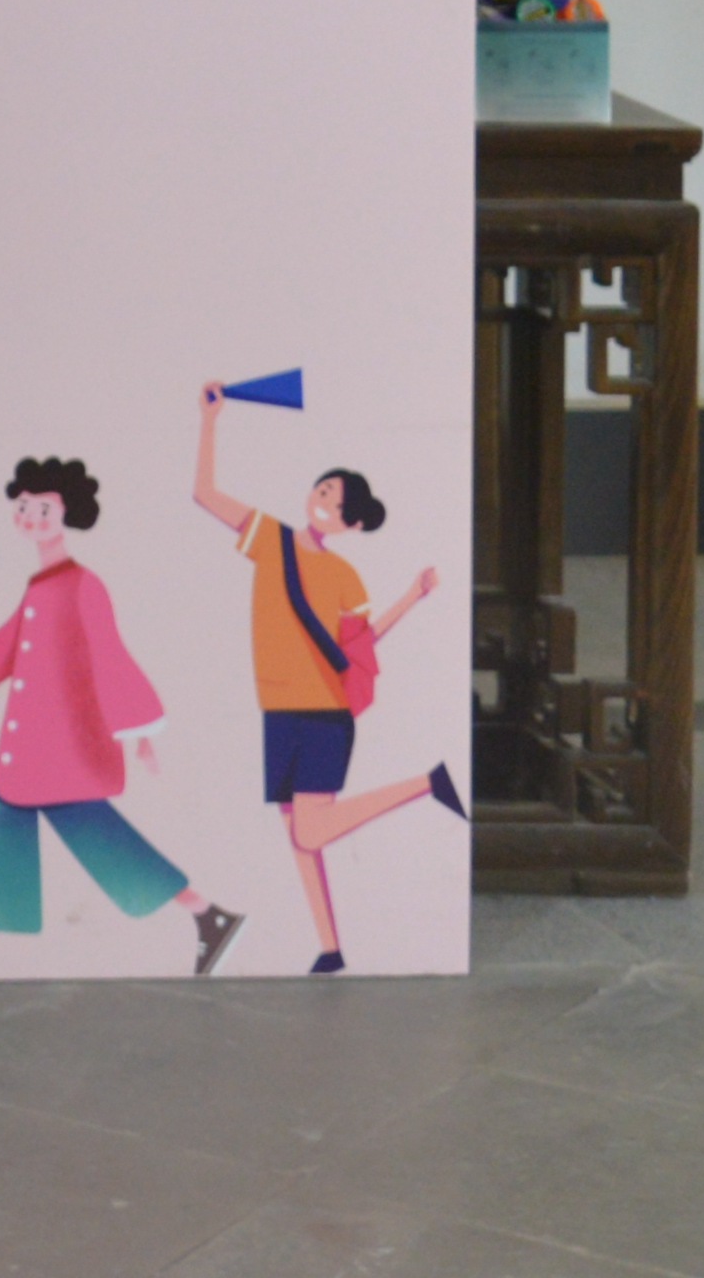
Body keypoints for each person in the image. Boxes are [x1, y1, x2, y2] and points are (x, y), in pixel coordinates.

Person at [0, 456, 242, 981]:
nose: (30, 517)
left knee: (96, 843)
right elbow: (0, 652)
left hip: (64, 750)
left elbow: (110, 653)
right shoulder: (41, 587)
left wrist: (139, 729)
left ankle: (208, 916)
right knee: (8, 840)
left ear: (68, 514)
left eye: (43, 508)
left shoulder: (83, 585)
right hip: (36, 754)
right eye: (24, 506)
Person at [189, 389, 455, 972]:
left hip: (323, 711)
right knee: (299, 838)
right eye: (323, 489)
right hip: (277, 708)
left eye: (336, 500)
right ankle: (330, 949)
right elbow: (205, 494)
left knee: (309, 833)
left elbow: (359, 647)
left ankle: (427, 784)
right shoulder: (272, 538)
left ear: (351, 523)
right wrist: (210, 421)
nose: (323, 500)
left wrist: (412, 596)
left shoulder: (343, 575)